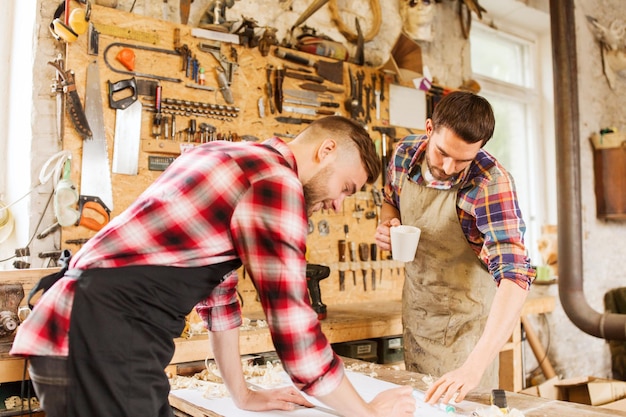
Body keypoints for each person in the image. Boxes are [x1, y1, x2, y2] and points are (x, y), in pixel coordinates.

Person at [11, 116, 416, 417]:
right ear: (326, 150)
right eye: (345, 187)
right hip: (105, 338)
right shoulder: (276, 182)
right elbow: (293, 325)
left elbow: (219, 297)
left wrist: (242, 395)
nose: (338, 204)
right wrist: (367, 413)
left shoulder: (223, 154)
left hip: (70, 331)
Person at [374, 91, 535, 405]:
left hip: (468, 331)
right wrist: (387, 225)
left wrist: (473, 368)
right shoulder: (405, 153)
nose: (448, 167)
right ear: (430, 128)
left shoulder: (490, 184)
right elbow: (389, 202)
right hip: (418, 314)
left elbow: (515, 277)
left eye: (462, 160)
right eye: (442, 153)